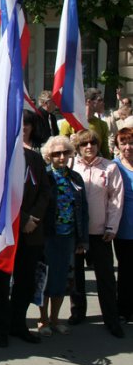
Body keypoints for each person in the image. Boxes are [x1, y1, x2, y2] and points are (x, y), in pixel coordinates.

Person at [0, 114, 51, 348]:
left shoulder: (36, 158)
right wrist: (22, 218)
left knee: (25, 282)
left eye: (27, 124)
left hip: (32, 231)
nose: (23, 128)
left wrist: (33, 218)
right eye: (19, 124)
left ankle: (18, 323)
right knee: (2, 282)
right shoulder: (1, 158)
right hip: (8, 230)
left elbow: (46, 190)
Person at [69, 130, 125, 338]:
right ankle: (78, 312)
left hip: (101, 232)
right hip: (76, 231)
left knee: (106, 277)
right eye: (84, 144)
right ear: (78, 147)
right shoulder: (72, 166)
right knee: (76, 275)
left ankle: (111, 318)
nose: (89, 147)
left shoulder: (109, 167)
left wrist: (112, 227)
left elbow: (116, 199)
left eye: (93, 143)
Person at [38, 135, 88, 337]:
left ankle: (55, 318)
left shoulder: (75, 178)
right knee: (44, 279)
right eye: (56, 154)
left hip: (68, 237)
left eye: (64, 153)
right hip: (48, 236)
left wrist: (82, 239)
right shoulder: (44, 176)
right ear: (49, 156)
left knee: (62, 280)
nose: (60, 157)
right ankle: (43, 320)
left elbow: (83, 209)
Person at [113, 128, 133, 323]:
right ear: (118, 146)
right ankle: (124, 309)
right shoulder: (114, 166)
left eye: (130, 143)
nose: (128, 147)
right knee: (126, 270)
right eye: (124, 143)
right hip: (125, 227)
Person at [60, 88, 111, 159]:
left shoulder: (102, 125)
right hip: (75, 166)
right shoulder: (68, 123)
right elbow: (61, 148)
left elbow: (105, 152)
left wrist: (111, 166)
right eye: (99, 100)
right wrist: (71, 143)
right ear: (88, 102)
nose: (103, 103)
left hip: (95, 165)